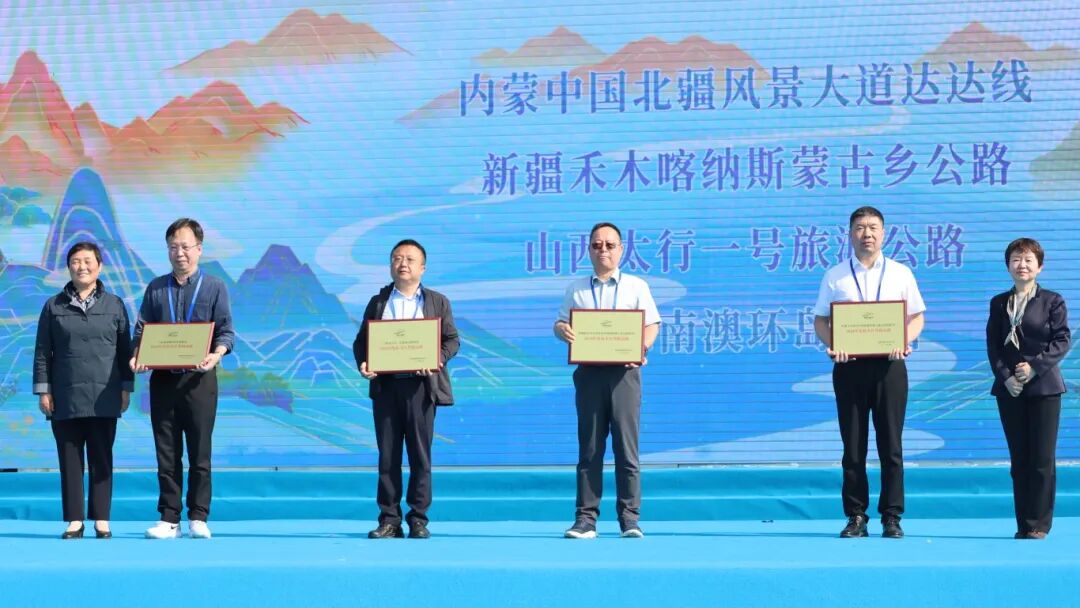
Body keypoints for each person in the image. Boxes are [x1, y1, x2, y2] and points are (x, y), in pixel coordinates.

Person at [813, 206, 926, 539]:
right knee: (853, 446)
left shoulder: (900, 273)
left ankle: (892, 516)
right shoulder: (835, 275)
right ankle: (856, 515)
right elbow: (821, 320)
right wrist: (834, 344)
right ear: (850, 234)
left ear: (884, 233)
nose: (867, 234)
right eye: (860, 227)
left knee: (891, 445)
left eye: (873, 227)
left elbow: (917, 316)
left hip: (890, 366)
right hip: (848, 367)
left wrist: (904, 340)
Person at [553, 222, 661, 539]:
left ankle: (629, 519)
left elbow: (652, 324)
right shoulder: (577, 288)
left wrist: (641, 348)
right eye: (597, 245)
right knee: (590, 449)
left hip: (625, 374)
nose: (604, 250)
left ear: (621, 249)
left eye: (610, 245)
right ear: (589, 250)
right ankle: (585, 519)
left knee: (627, 449)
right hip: (589, 374)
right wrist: (562, 330)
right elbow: (560, 323)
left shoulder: (636, 286)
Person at [131, 218, 234, 539]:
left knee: (200, 451)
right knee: (167, 451)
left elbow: (226, 331)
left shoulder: (215, 287)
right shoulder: (156, 288)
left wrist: (216, 354)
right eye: (173, 247)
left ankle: (198, 517)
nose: (180, 253)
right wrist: (137, 356)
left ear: (199, 249)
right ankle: (169, 518)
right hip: (163, 381)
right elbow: (141, 330)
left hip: (200, 380)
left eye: (186, 246)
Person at [353, 239, 460, 539]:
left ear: (422, 267)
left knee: (419, 456)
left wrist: (437, 358)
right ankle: (389, 519)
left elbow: (452, 340)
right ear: (390, 265)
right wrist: (364, 363)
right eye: (397, 258)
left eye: (410, 259)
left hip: (421, 388)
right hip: (386, 387)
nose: (403, 264)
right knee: (388, 456)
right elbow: (361, 342)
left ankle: (418, 519)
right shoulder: (378, 302)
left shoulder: (437, 302)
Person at [33, 242, 134, 539]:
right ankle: (74, 520)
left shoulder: (115, 305)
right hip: (65, 395)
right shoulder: (53, 306)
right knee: (69, 458)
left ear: (99, 266)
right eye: (76, 261)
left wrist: (126, 387)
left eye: (88, 261)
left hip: (105, 393)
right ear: (69, 267)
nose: (82, 266)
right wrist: (44, 391)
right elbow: (43, 352)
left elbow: (125, 350)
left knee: (102, 457)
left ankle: (102, 518)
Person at [986, 238, 1070, 539]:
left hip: (1044, 388)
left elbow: (1061, 340)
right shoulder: (999, 303)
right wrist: (1006, 377)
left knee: (1042, 459)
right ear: (1008, 265)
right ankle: (1023, 523)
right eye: (1016, 259)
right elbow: (994, 346)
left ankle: (1039, 524)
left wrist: (1034, 367)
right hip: (1010, 390)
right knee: (1020, 459)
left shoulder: (1052, 301)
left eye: (1028, 260)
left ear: (1039, 266)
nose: (1022, 265)